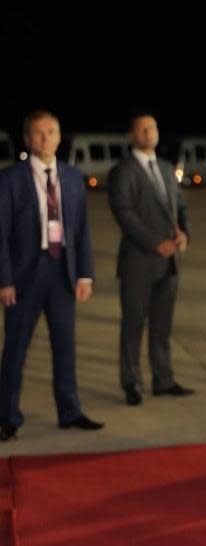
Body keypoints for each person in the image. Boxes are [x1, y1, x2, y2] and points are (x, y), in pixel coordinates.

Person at [0, 110, 103, 440]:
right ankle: (7, 416)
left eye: (52, 131)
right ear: (28, 139)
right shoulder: (10, 179)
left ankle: (69, 410)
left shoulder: (73, 178)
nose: (46, 138)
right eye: (38, 133)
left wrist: (85, 275)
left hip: (63, 274)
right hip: (24, 276)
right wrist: (4, 280)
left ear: (60, 136)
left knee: (65, 347)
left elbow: (82, 230)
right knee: (15, 349)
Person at [107, 113, 193, 406]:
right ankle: (131, 383)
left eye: (153, 126)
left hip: (169, 263)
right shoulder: (123, 171)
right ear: (132, 135)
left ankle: (163, 379)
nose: (149, 132)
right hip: (138, 262)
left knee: (162, 325)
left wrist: (184, 234)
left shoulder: (167, 169)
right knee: (133, 325)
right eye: (142, 128)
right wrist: (156, 243)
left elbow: (180, 207)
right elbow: (124, 213)